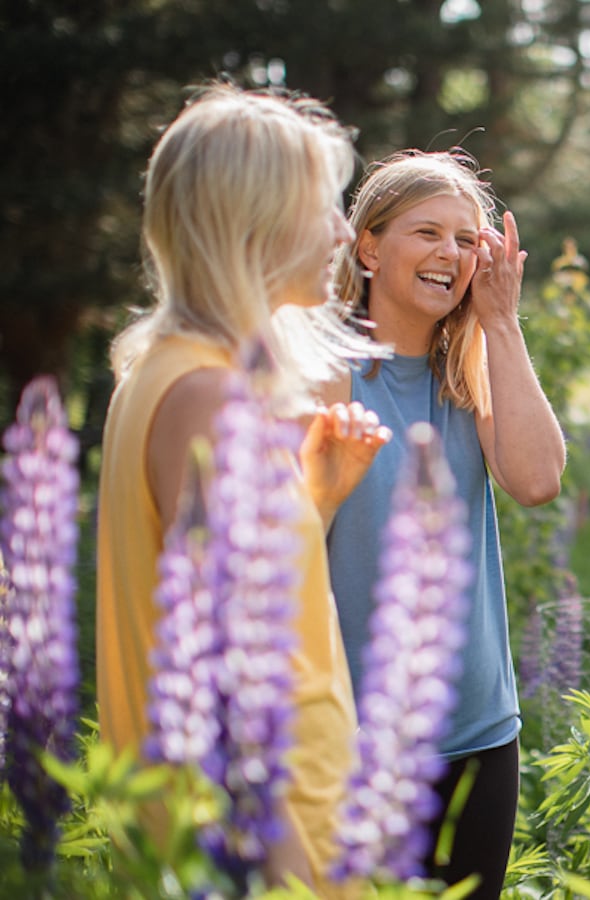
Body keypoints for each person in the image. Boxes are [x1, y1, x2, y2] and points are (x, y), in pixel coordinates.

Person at [97, 84, 392, 893]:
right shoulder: (207, 396)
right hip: (257, 851)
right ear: (255, 218)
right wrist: (288, 869)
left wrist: (315, 497)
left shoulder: (170, 371)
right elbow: (234, 679)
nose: (342, 232)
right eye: (324, 206)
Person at [324, 150, 566, 899]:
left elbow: (537, 480)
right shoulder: (324, 371)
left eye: (466, 240)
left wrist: (502, 322)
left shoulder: (469, 372)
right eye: (427, 233)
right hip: (354, 740)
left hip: (478, 734)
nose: (450, 255)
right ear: (369, 248)